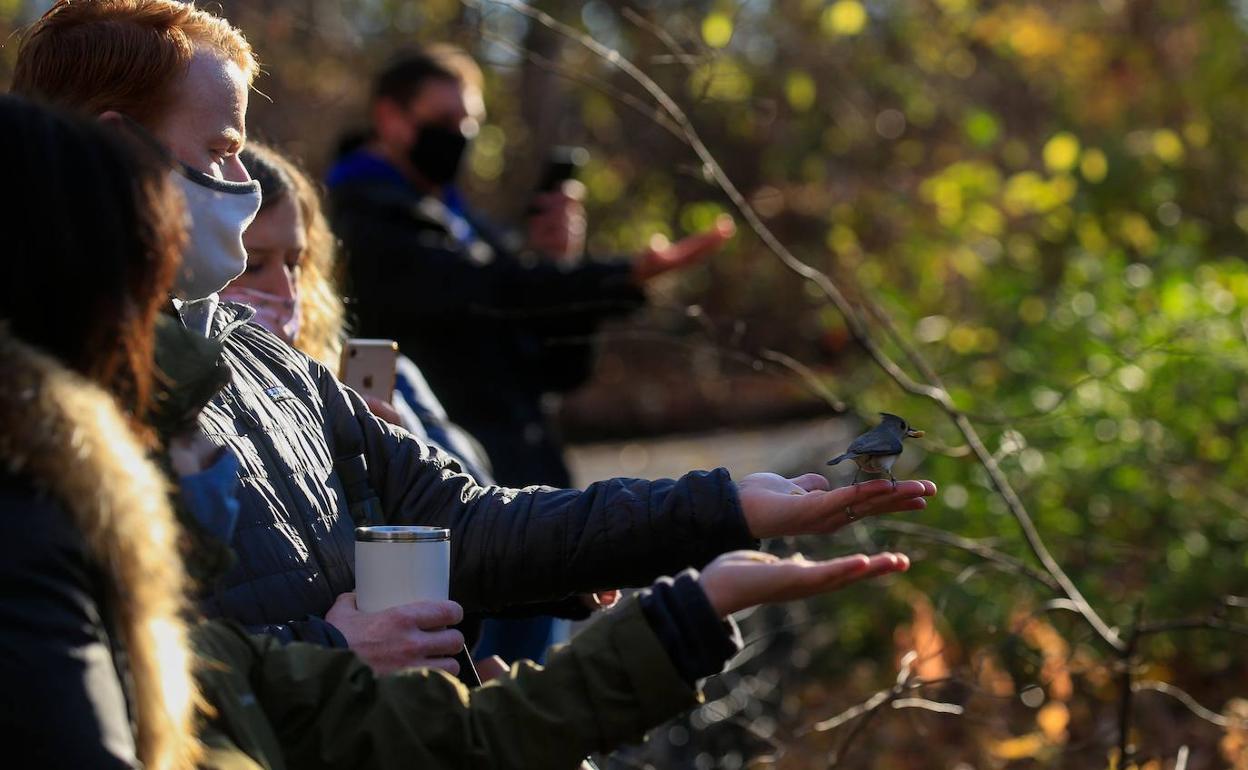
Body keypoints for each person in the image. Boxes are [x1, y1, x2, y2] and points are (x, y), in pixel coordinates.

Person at [12, 0, 937, 678]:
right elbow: (82, 688)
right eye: (219, 152)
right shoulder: (33, 410)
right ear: (118, 150)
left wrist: (727, 507)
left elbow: (465, 521)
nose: (244, 187)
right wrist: (333, 656)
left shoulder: (264, 363)